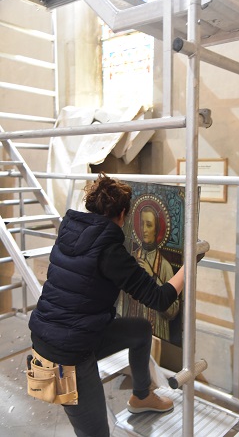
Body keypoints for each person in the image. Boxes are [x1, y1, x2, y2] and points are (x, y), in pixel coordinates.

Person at [28, 172, 184, 437]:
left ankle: (142, 396)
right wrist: (189, 264)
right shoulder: (110, 251)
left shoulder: (70, 231)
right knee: (96, 432)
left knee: (139, 331)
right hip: (66, 352)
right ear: (123, 214)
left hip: (70, 331)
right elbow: (160, 299)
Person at [130, 205, 180, 341]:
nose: (144, 230)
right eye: (142, 224)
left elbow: (173, 310)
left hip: (157, 328)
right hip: (133, 327)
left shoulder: (164, 266)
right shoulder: (132, 258)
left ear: (156, 229)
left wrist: (152, 276)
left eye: (149, 225)